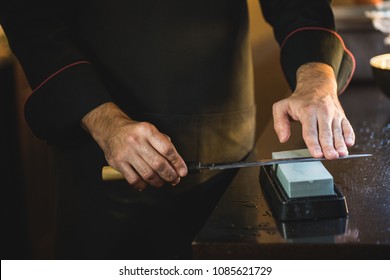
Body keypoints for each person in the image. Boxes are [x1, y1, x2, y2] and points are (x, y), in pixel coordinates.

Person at [0, 0, 355, 259]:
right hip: (104, 160)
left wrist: (316, 78)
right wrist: (104, 121)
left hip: (229, 146)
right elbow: (32, 20)